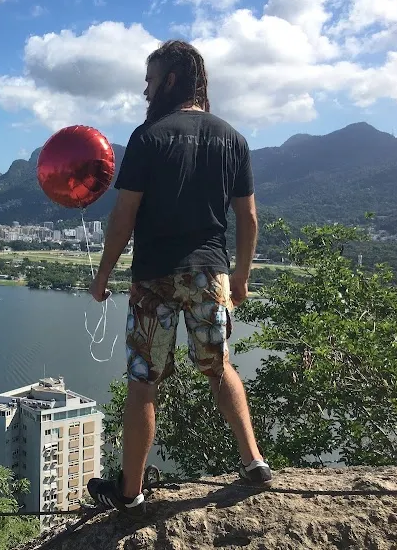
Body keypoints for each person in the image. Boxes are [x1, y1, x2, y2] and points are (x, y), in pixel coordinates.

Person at [86, 39, 272, 515]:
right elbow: (248, 219)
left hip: (155, 278)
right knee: (219, 366)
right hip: (211, 274)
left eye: (149, 81)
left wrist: (103, 273)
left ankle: (129, 490)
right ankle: (253, 462)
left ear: (169, 81)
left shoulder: (148, 138)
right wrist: (243, 277)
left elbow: (124, 216)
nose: (144, 91)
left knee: (144, 381)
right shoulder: (232, 138)